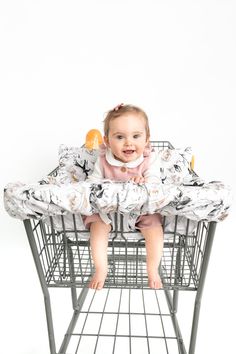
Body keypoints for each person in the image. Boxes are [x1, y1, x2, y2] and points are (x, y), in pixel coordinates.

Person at [85, 104, 163, 290]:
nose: (128, 142)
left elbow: (155, 182)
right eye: (120, 137)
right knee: (97, 226)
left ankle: (152, 268)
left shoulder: (149, 158)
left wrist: (144, 180)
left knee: (154, 227)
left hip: (140, 209)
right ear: (107, 141)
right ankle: (101, 268)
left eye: (136, 136)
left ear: (147, 139)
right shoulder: (104, 159)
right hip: (108, 210)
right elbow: (92, 183)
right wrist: (101, 185)